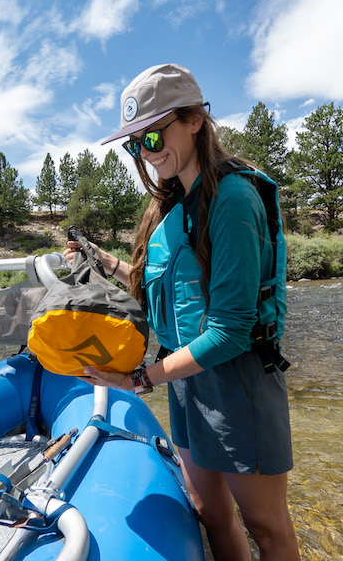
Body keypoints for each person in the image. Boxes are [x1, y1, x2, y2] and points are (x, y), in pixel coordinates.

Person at [64, 63, 301, 561]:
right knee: (210, 511)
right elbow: (153, 289)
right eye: (135, 144)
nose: (146, 153)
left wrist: (140, 380)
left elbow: (231, 332)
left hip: (235, 381)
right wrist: (97, 258)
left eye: (152, 135)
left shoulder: (232, 199)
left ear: (194, 120)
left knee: (266, 526)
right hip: (185, 381)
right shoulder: (170, 210)